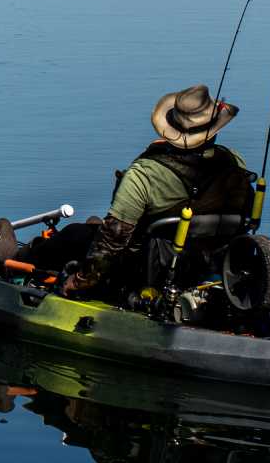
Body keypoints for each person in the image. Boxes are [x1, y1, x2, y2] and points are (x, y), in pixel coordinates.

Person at [60, 84, 254, 301]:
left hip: (147, 277)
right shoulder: (235, 163)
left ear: (171, 129)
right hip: (215, 268)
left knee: (73, 235)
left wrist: (79, 280)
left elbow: (112, 240)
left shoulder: (143, 175)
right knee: (84, 230)